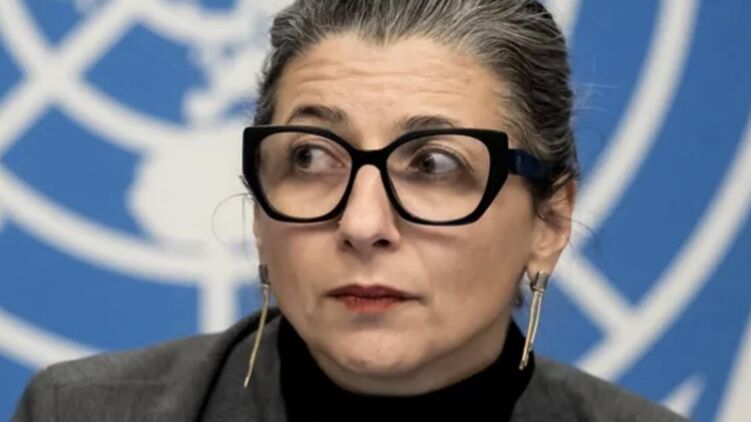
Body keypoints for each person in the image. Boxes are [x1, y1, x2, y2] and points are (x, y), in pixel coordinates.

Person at [13, 1, 689, 421]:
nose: (363, 225)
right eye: (310, 158)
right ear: (259, 211)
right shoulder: (81, 413)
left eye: (434, 165)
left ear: (550, 222)